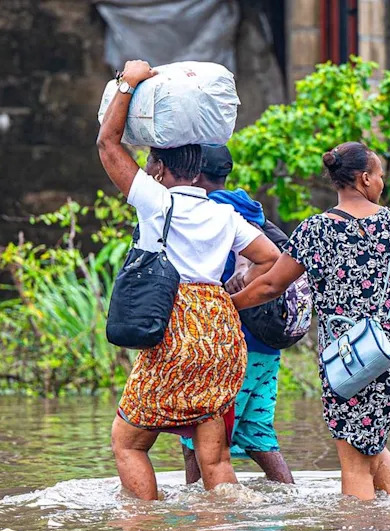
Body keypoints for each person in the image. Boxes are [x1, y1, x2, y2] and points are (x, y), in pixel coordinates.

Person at [97, 59, 280, 500]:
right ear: (199, 167)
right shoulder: (224, 214)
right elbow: (271, 259)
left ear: (158, 169)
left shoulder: (156, 202)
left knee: (128, 443)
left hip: (173, 329)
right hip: (220, 332)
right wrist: (231, 298)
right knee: (213, 455)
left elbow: (107, 144)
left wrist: (127, 83)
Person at [230, 142, 390, 501]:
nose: (382, 183)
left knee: (354, 463)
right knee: (371, 443)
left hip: (349, 363)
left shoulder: (314, 231)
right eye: (381, 175)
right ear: (365, 178)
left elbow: (272, 285)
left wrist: (228, 305)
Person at [179, 145, 295, 485]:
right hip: (268, 345)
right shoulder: (251, 211)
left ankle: (198, 519)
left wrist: (229, 305)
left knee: (196, 438)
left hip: (232, 346)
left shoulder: (207, 214)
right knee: (257, 430)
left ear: (195, 175)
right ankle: (287, 503)